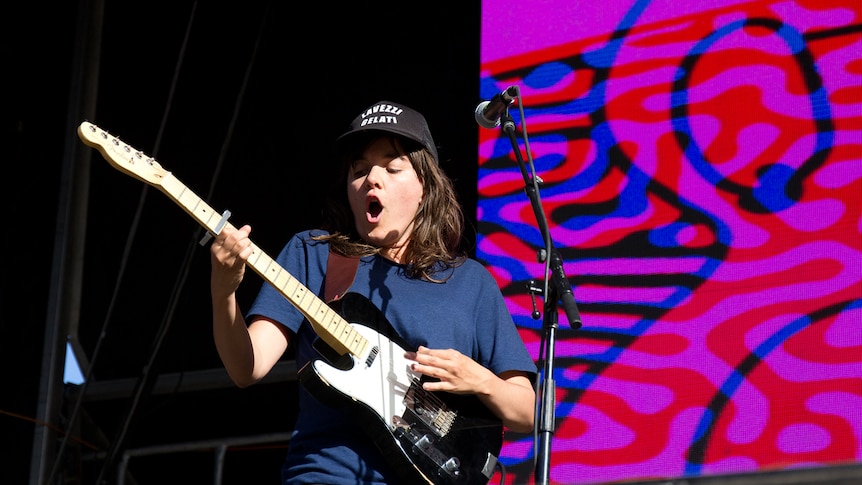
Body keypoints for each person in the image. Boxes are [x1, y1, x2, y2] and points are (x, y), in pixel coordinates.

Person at [209, 100, 537, 484]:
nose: (372, 179)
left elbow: (528, 412)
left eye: (393, 166)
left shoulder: (470, 282)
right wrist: (223, 291)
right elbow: (247, 366)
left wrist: (478, 378)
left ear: (425, 188)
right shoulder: (314, 254)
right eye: (359, 170)